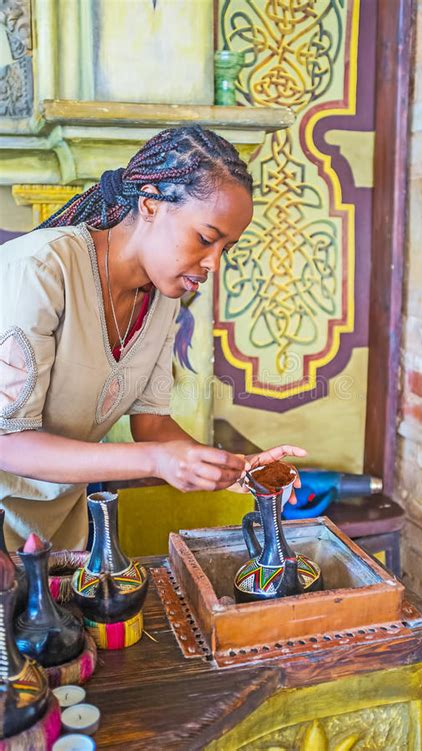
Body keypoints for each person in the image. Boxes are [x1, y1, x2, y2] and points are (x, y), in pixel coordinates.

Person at [0, 126, 306, 551]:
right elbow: (6, 443)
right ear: (149, 204)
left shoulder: (161, 298)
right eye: (205, 238)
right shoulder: (39, 269)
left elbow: (152, 423)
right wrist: (157, 462)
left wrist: (232, 470)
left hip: (60, 537)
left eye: (227, 248)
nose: (214, 263)